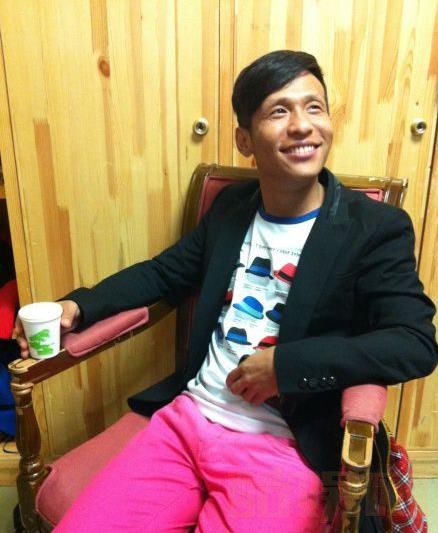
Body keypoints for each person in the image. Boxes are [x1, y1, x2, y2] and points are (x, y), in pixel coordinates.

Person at [16, 50, 437, 532]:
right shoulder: (234, 208)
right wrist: (78, 305)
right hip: (187, 421)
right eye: (279, 111)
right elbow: (163, 274)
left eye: (314, 107)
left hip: (282, 446)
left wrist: (285, 367)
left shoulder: (374, 227)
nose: (303, 125)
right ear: (244, 140)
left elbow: (413, 343)